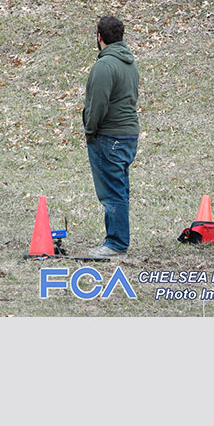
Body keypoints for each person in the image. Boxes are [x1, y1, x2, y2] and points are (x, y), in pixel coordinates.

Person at [74, 15, 140, 261]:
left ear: (99, 37)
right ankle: (117, 239)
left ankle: (115, 243)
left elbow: (97, 105)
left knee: (112, 192)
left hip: (109, 136)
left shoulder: (105, 65)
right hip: (127, 134)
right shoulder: (129, 63)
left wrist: (90, 130)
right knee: (120, 188)